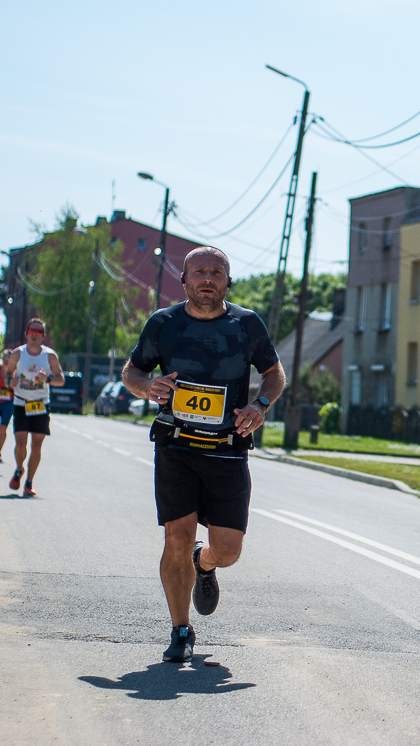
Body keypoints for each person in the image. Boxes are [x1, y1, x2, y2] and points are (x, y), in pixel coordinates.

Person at [122, 246, 285, 664]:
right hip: (175, 446)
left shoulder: (247, 325)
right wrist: (146, 387)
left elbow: (274, 373)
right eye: (199, 272)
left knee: (228, 549)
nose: (208, 278)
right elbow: (133, 370)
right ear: (185, 280)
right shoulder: (164, 324)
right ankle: (180, 630)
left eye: (217, 271)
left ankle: (205, 562)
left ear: (228, 280)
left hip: (227, 451)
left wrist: (260, 406)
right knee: (175, 536)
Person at [6, 319, 65, 496]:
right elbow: (8, 373)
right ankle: (18, 469)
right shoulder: (17, 354)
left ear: (43, 336)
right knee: (21, 442)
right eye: (31, 331)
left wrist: (46, 379)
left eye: (38, 332)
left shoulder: (50, 356)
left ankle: (29, 482)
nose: (34, 334)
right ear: (26, 334)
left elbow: (61, 380)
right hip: (21, 401)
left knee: (37, 446)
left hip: (40, 403)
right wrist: (11, 381)